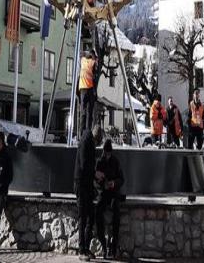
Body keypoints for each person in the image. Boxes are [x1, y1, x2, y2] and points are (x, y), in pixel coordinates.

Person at [74, 125, 103, 261]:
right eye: (97, 143)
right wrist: (95, 173)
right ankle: (81, 250)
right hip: (81, 184)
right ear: (95, 139)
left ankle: (85, 247)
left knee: (90, 216)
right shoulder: (86, 142)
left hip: (86, 184)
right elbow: (84, 164)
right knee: (83, 218)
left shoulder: (88, 142)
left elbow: (87, 164)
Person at [95, 139, 124, 259]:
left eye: (109, 153)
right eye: (106, 153)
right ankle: (103, 244)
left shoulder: (115, 161)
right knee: (98, 213)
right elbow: (95, 181)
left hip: (113, 193)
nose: (107, 155)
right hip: (103, 193)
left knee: (116, 213)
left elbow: (121, 179)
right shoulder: (99, 162)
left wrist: (114, 183)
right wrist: (102, 184)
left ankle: (114, 246)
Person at [79, 50, 98, 135]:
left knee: (83, 112)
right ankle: (88, 132)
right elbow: (94, 77)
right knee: (89, 112)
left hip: (82, 88)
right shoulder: (92, 62)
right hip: (90, 89)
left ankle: (81, 133)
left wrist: (87, 53)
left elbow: (82, 53)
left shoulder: (82, 60)